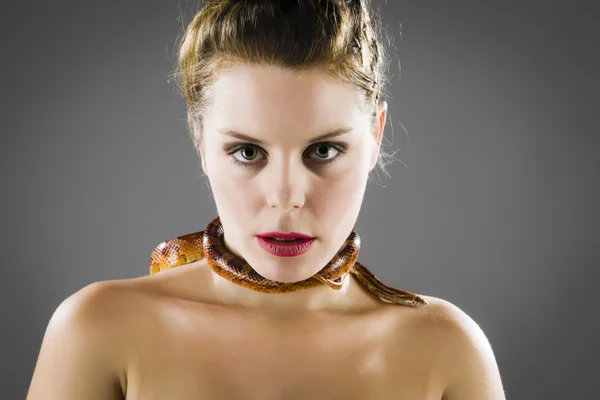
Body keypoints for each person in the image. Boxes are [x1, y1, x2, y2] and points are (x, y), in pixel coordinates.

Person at [27, 0, 506, 399]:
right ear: (200, 140)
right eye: (248, 151)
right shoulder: (98, 330)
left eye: (323, 150)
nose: (286, 198)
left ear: (376, 134)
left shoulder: (446, 348)